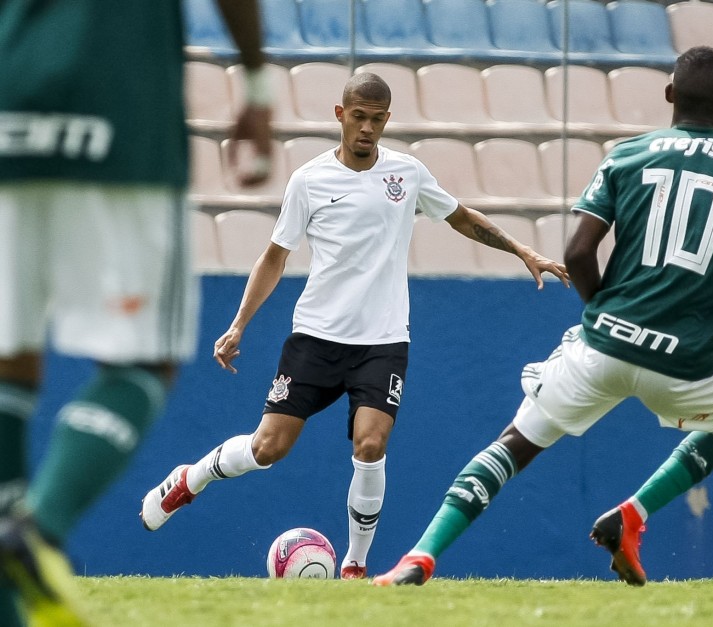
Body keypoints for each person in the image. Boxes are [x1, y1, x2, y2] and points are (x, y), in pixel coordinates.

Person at [373, 46, 713, 587]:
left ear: (669, 95)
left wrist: (604, 317)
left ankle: (420, 557)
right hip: (686, 363)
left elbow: (578, 253)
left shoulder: (625, 156)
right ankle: (633, 515)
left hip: (602, 346)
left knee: (514, 443)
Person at [139, 71, 569, 580]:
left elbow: (459, 217)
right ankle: (189, 479)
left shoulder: (407, 174)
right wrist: (238, 325)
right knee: (267, 448)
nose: (367, 128)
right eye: (358, 117)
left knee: (371, 444)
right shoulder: (309, 180)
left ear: (388, 120)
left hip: (383, 342)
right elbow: (274, 257)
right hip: (316, 337)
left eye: (377, 119)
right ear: (340, 116)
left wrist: (521, 249)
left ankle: (356, 566)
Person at [0, 1, 273, 625]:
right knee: (143, 361)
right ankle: (39, 530)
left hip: (8, 101)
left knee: (8, 361)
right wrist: (257, 85)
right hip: (121, 113)